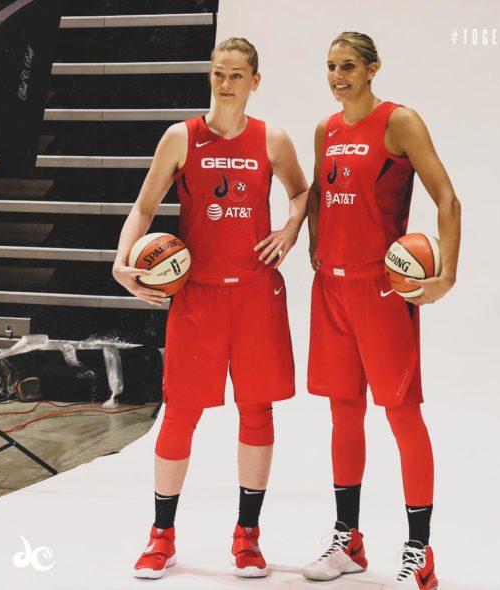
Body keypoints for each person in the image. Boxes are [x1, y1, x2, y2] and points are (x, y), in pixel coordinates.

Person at [112, 37, 308, 579]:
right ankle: (161, 536)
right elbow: (144, 206)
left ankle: (247, 537)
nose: (226, 83)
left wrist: (290, 228)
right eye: (218, 73)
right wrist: (120, 261)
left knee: (257, 412)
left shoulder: (273, 139)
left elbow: (300, 193)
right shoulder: (181, 136)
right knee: (180, 414)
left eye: (237, 74)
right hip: (197, 298)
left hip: (255, 296)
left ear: (255, 81)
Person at [301, 32, 461, 590]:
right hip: (333, 291)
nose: (337, 75)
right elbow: (321, 196)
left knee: (401, 415)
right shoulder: (326, 129)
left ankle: (420, 549)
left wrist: (447, 274)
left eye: (348, 66)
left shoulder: (400, 121)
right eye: (330, 66)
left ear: (372, 69)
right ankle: (349, 541)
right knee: (343, 414)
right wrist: (317, 248)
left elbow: (447, 197)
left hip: (383, 292)